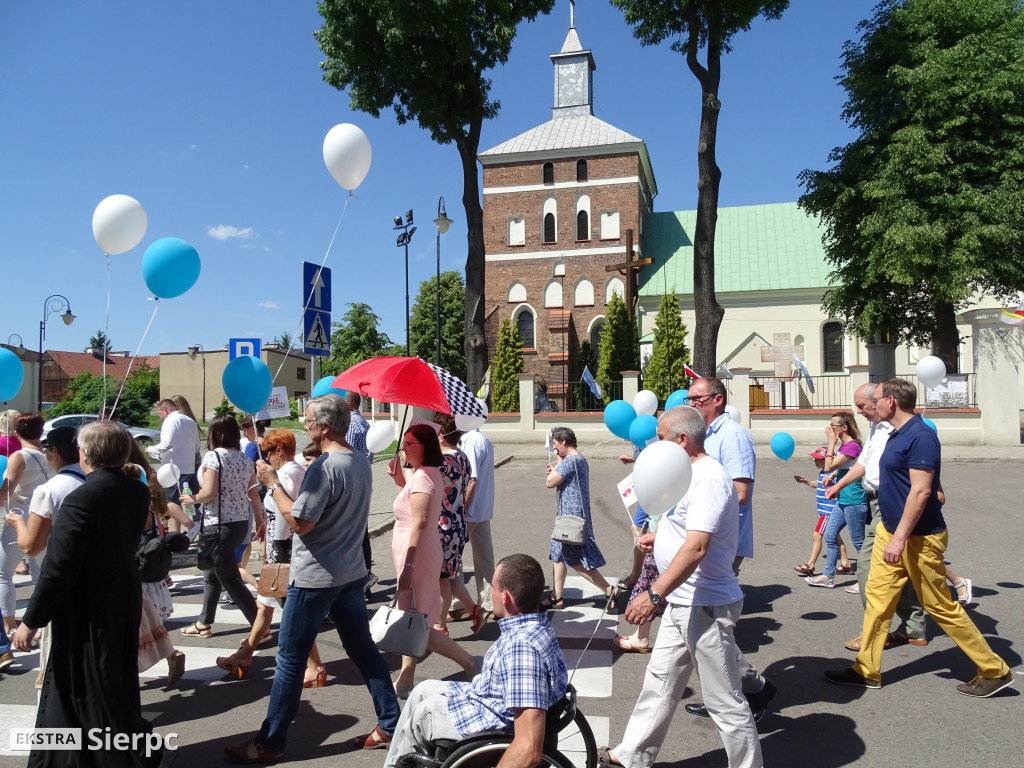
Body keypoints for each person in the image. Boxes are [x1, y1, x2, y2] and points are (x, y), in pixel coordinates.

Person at [225, 394, 399, 762]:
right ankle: (390, 721)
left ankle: (270, 742)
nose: (304, 426)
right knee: (363, 649)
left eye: (308, 421)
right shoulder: (358, 461)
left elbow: (301, 523)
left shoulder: (325, 467)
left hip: (317, 576)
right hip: (350, 572)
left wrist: (273, 484)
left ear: (324, 426)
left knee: (289, 658)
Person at [824, 379, 1014, 697]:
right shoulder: (892, 433)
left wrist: (899, 539)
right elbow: (876, 469)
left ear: (892, 402)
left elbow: (922, 491)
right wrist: (841, 485)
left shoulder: (922, 436)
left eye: (878, 398)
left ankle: (995, 670)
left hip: (920, 537)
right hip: (891, 529)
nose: (872, 403)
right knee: (879, 599)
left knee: (939, 606)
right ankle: (866, 669)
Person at [599, 406, 763, 768]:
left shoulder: (706, 478)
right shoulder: (686, 472)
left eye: (660, 437)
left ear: (682, 440)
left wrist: (654, 594)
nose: (654, 445)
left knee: (725, 701)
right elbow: (692, 529)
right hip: (684, 600)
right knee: (659, 682)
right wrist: (659, 538)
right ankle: (632, 755)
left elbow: (698, 547)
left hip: (705, 603)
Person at [11, 421, 171, 767]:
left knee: (90, 686)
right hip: (121, 594)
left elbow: (58, 568)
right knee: (113, 678)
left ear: (86, 453)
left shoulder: (81, 498)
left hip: (87, 607)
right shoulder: (134, 490)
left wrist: (30, 621)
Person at [382, 553, 567, 768]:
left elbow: (529, 748)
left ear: (506, 597)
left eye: (494, 588)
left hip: (494, 724)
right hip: (492, 700)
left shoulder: (522, 649)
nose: (491, 592)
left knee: (424, 712)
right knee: (421, 690)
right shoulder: (537, 624)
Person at [683, 378, 775, 721]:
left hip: (721, 541)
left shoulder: (732, 435)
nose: (691, 403)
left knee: (707, 626)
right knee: (702, 625)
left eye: (697, 398)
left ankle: (747, 692)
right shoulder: (704, 435)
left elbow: (739, 493)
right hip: (703, 537)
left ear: (717, 399)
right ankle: (746, 689)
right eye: (689, 398)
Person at [216, 428, 326, 688]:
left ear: (278, 451)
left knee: (293, 612)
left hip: (282, 552)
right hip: (283, 549)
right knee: (264, 607)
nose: (265, 456)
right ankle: (244, 656)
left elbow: (287, 514)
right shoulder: (296, 471)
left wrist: (271, 544)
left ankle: (315, 666)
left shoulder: (286, 474)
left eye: (267, 451)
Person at [825, 382, 928, 650]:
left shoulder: (906, 430)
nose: (858, 412)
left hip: (890, 505)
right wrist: (840, 483)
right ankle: (914, 626)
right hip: (874, 503)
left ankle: (873, 633)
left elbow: (921, 478)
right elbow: (864, 463)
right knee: (898, 569)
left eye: (861, 406)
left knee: (868, 570)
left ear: (881, 401)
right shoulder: (878, 428)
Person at [387, 423, 476, 699]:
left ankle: (469, 663)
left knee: (418, 622)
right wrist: (399, 479)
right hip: (418, 554)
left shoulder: (425, 477)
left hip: (418, 556)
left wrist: (409, 565)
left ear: (424, 447)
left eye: (409, 444)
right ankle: (405, 680)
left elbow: (421, 522)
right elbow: (412, 504)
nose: (403, 448)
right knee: (412, 620)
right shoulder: (423, 475)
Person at [4, 426, 84, 689]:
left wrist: (15, 522)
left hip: (33, 525)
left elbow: (31, 547)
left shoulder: (47, 487)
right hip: (88, 569)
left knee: (6, 575)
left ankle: (11, 628)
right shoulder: (90, 480)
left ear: (56, 451)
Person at [178, 414, 263, 637]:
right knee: (210, 574)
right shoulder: (244, 459)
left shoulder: (213, 457)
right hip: (239, 524)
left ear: (214, 433)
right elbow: (254, 495)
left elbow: (209, 493)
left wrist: (191, 499)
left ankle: (259, 625)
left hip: (216, 525)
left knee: (230, 579)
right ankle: (203, 623)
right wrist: (260, 521)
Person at [544, 426, 614, 608]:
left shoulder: (570, 460)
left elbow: (550, 482)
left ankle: (608, 589)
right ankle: (556, 596)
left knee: (574, 559)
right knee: (557, 553)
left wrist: (556, 465)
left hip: (570, 516)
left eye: (555, 444)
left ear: (563, 441)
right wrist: (557, 467)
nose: (554, 449)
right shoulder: (579, 459)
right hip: (572, 513)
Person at [0, 412, 54, 633]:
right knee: (40, 574)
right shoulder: (50, 454)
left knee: (3, 574)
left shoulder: (19, 456)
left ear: (16, 432)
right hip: (44, 516)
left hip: (19, 516)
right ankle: (44, 623)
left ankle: (9, 625)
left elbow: (6, 493)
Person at [432, 412, 484, 635]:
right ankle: (474, 609)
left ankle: (440, 628)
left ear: (442, 435)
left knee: (442, 578)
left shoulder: (445, 461)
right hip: (457, 522)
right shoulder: (461, 456)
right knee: (450, 575)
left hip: (444, 525)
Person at [807, 413, 866, 588]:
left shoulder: (852, 446)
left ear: (844, 428)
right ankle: (828, 576)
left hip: (854, 501)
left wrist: (831, 444)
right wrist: (833, 476)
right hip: (842, 500)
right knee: (831, 536)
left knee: (860, 543)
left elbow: (828, 465)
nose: (830, 429)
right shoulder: (846, 446)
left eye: (833, 426)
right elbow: (842, 469)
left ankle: (867, 581)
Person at [454, 426, 496, 616]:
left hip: (470, 508)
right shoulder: (484, 439)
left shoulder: (470, 442)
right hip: (483, 507)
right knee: (484, 557)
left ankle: (457, 603)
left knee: (454, 556)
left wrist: (463, 509)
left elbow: (471, 479)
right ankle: (488, 602)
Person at [793, 446, 851, 577]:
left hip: (828, 511)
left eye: (818, 459)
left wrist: (831, 483)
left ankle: (810, 565)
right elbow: (819, 485)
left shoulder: (833, 473)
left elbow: (838, 487)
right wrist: (805, 481)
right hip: (825, 510)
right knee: (835, 536)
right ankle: (846, 563)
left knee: (817, 535)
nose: (815, 461)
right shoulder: (823, 472)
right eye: (814, 458)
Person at [345, 391, 377, 592]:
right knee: (362, 532)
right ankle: (366, 575)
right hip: (365, 480)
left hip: (351, 482)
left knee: (353, 533)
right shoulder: (366, 424)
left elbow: (345, 453)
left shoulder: (350, 426)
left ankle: (360, 577)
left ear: (348, 403)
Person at [148, 397, 202, 505]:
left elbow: (166, 444)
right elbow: (197, 446)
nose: (160, 417)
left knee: (170, 501)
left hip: (172, 468)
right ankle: (191, 520)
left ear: (166, 410)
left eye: (160, 413)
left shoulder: (170, 420)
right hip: (188, 468)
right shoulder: (190, 421)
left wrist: (151, 449)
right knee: (183, 499)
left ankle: (186, 522)